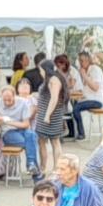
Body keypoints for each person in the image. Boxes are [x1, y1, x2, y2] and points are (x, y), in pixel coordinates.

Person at [32, 57, 71, 186]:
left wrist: (47, 115)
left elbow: (54, 99)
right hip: (44, 113)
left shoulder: (54, 80)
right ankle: (43, 167)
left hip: (51, 114)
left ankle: (56, 169)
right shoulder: (49, 79)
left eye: (41, 69)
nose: (40, 72)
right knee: (41, 140)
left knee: (55, 141)